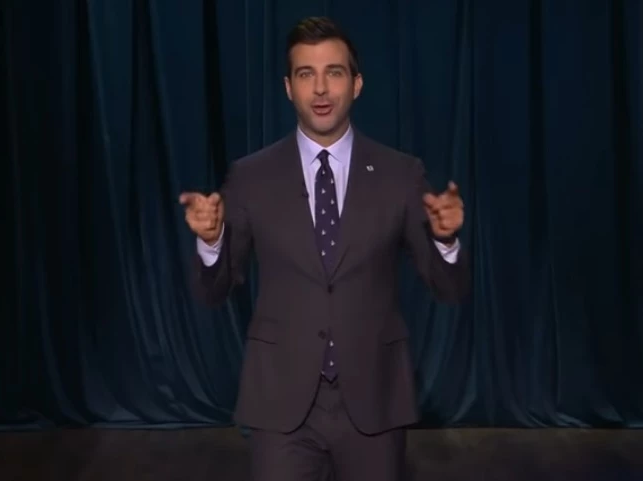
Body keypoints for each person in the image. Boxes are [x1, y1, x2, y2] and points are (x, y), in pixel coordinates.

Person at [180, 16, 471, 481]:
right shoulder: (252, 177)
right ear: (288, 88)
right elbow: (212, 292)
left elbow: (449, 288)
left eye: (334, 72)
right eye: (305, 74)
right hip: (281, 402)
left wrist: (446, 240)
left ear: (356, 84)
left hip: (374, 398)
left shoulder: (401, 174)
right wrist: (212, 241)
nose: (320, 88)